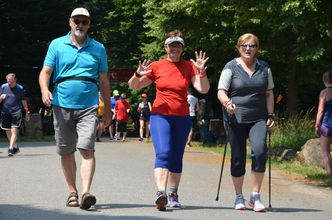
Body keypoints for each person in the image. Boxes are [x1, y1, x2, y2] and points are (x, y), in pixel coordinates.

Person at [128, 30, 210, 211]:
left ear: (182, 48)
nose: (175, 48)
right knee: (163, 153)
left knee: (176, 156)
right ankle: (160, 193)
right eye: (171, 45)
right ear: (165, 47)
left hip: (182, 118)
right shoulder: (157, 66)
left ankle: (173, 194)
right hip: (160, 116)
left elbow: (202, 89)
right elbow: (134, 86)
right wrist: (137, 73)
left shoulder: (189, 66)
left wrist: (201, 71)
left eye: (178, 45)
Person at [38, 7, 111, 210]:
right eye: (76, 20)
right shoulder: (57, 45)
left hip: (89, 105)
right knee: (66, 151)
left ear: (89, 24)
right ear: (70, 22)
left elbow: (104, 80)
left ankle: (86, 192)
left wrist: (108, 110)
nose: (80, 24)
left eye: (84, 21)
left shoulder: (98, 48)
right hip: (62, 104)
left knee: (86, 148)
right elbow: (45, 72)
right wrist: (45, 90)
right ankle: (72, 191)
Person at [217, 33, 275, 212]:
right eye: (245, 46)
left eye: (252, 46)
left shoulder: (264, 68)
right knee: (238, 157)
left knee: (259, 151)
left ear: (257, 48)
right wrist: (228, 103)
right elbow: (221, 91)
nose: (248, 49)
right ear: (239, 48)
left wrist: (271, 115)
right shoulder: (230, 67)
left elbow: (269, 93)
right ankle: (238, 196)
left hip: (258, 117)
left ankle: (255, 196)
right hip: (235, 117)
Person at [0, 73, 30, 156]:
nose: (9, 83)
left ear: (15, 80)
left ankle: (10, 148)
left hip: (16, 112)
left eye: (11, 81)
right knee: (8, 130)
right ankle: (15, 146)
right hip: (5, 112)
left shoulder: (20, 88)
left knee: (14, 131)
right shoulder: (3, 87)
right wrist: (1, 98)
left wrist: (27, 112)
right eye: (8, 81)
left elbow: (23, 101)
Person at [315, 71, 332, 176]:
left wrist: (317, 125)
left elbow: (320, 110)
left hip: (326, 125)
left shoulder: (324, 93)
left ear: (325, 81)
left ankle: (329, 174)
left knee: (326, 151)